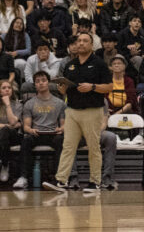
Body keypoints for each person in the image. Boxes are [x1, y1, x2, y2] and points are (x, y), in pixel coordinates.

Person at [44, 33, 112, 193]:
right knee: (68, 146)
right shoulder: (70, 65)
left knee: (93, 147)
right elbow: (65, 90)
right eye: (78, 41)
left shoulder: (99, 64)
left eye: (84, 41)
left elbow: (109, 87)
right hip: (72, 111)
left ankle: (95, 182)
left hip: (92, 110)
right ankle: (61, 180)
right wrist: (62, 88)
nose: (80, 44)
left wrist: (93, 87)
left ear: (91, 45)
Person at [14, 71, 67, 190]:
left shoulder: (59, 103)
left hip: (53, 133)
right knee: (26, 140)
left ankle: (59, 179)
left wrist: (60, 129)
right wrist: (31, 130)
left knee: (61, 140)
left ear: (48, 83)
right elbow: (26, 126)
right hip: (36, 134)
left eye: (43, 80)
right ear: (35, 85)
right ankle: (23, 178)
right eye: (37, 81)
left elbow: (63, 125)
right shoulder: (29, 103)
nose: (41, 83)